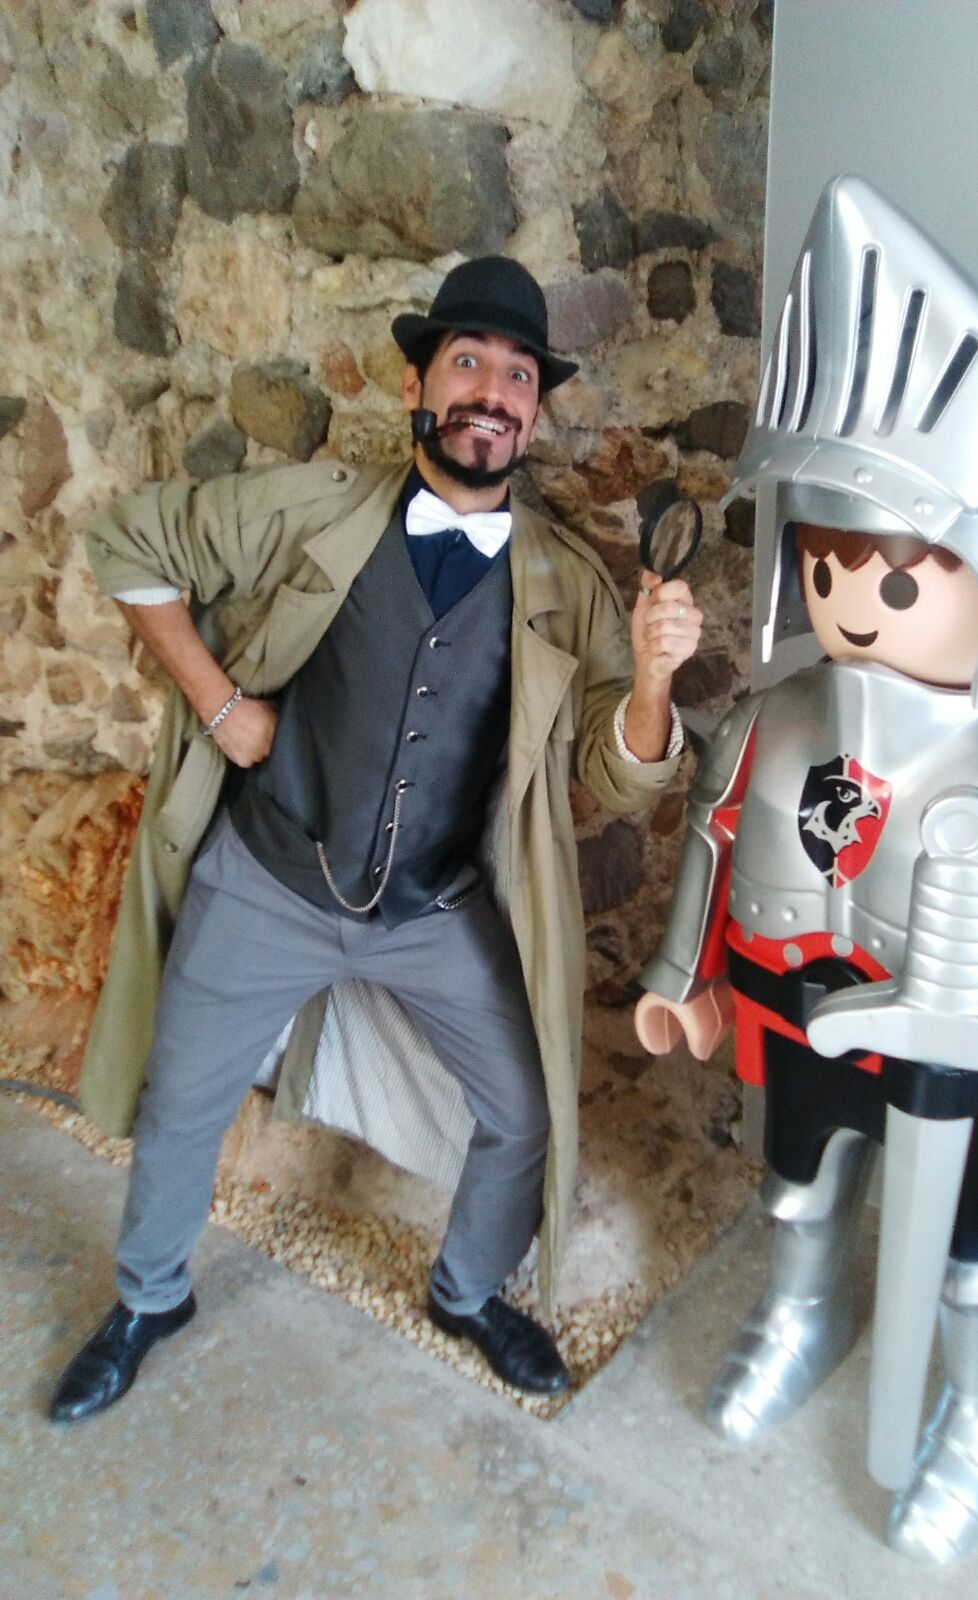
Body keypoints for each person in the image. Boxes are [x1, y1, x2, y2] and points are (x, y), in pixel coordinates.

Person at [635, 177, 978, 1563]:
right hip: (804, 1014)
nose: (851, 603)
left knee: (976, 1261)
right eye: (831, 570)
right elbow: (717, 837)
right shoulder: (774, 722)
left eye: (898, 578)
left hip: (971, 1076)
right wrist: (682, 976)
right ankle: (802, 1314)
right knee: (801, 1187)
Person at [50, 255, 702, 1421]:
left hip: (433, 908)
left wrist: (654, 679)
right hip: (270, 877)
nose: (492, 393)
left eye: (518, 376)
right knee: (182, 1094)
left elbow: (617, 770)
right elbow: (133, 546)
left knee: (523, 1109)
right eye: (468, 363)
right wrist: (221, 705)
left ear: (534, 411)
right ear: (417, 383)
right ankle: (148, 1297)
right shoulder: (317, 507)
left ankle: (466, 1292)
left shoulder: (566, 580)